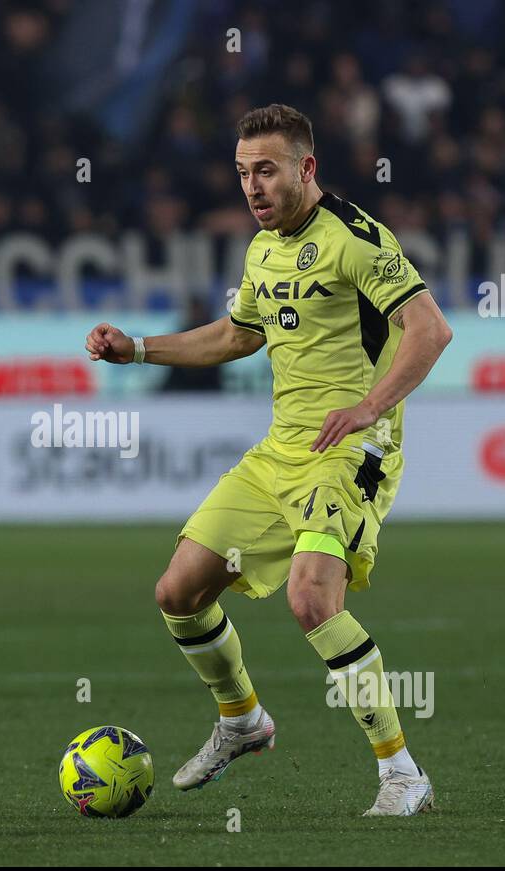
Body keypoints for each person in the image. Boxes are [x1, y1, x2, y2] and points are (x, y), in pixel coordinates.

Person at [85, 104, 453, 816]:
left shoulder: (356, 240)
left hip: (350, 452)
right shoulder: (262, 249)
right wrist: (136, 349)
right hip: (280, 453)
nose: (252, 187)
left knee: (312, 598)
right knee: (178, 593)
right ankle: (242, 720)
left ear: (306, 169)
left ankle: (402, 773)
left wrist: (371, 406)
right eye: (243, 172)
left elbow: (430, 331)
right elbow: (236, 337)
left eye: (267, 171)